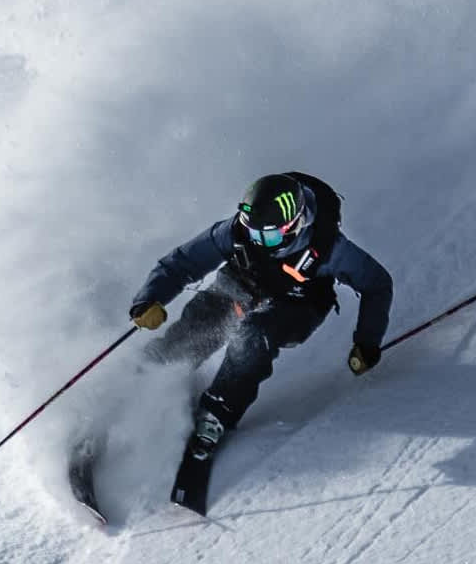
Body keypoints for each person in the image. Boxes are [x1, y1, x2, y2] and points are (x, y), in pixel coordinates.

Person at [129, 171, 394, 454]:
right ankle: (150, 373)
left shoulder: (328, 247)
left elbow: (377, 284)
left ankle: (217, 411)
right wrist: (150, 299)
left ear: (295, 225)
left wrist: (367, 342)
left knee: (253, 336)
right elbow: (183, 262)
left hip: (298, 304)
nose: (257, 241)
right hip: (244, 285)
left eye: (266, 236)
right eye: (252, 231)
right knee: (205, 318)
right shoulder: (236, 232)